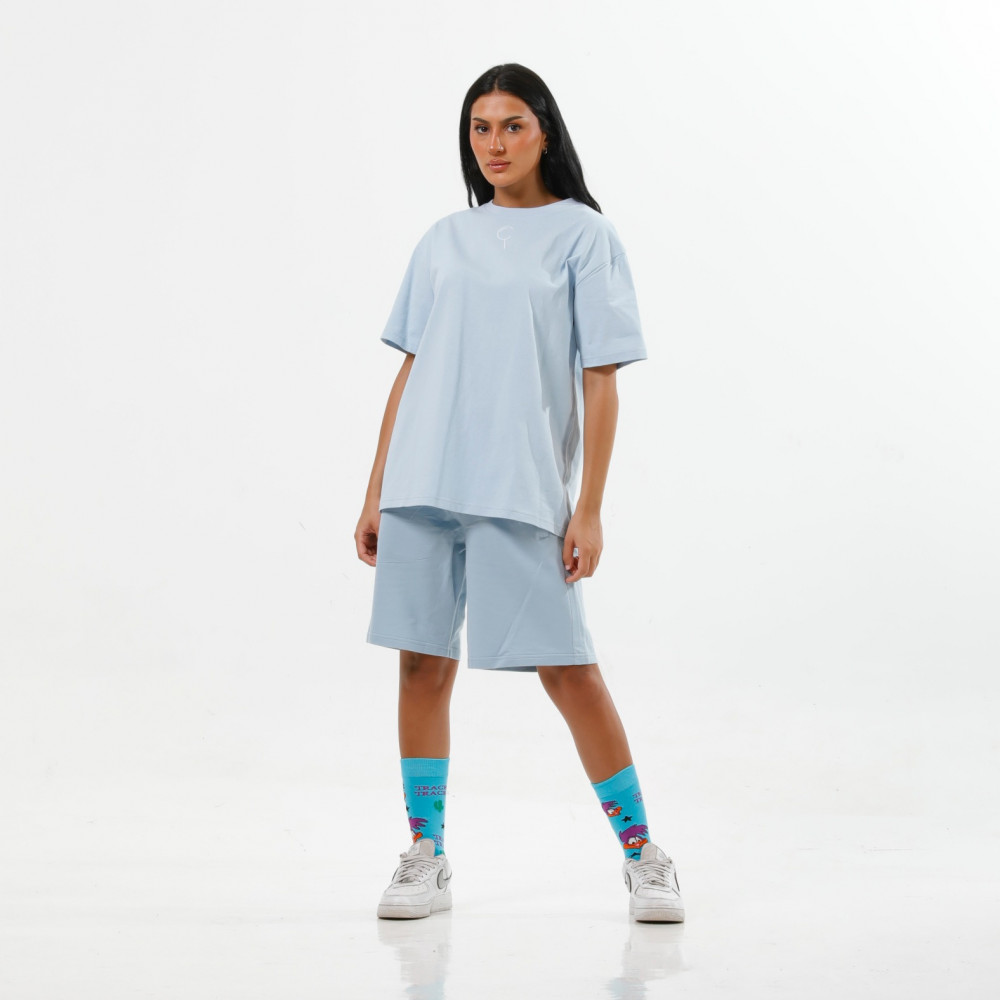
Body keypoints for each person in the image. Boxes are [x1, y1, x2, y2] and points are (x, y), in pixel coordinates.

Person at [354, 63, 684, 923]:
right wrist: (376, 487)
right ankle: (425, 854)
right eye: (479, 128)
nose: (493, 144)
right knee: (421, 665)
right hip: (424, 479)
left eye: (511, 125)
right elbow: (413, 368)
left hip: (520, 485)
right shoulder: (443, 240)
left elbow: (601, 381)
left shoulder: (584, 237)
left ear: (545, 132)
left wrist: (589, 507)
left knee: (569, 671)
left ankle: (643, 853)